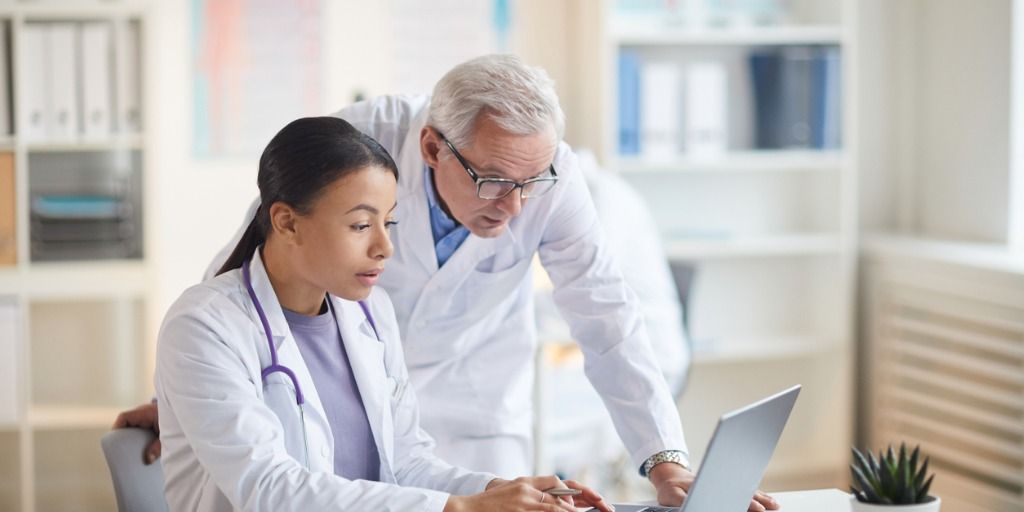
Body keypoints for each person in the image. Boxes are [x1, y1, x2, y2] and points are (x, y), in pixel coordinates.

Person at [120, 55, 778, 511]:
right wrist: (191, 394)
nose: (515, 205)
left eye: (530, 183)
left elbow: (607, 319)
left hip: (468, 405)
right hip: (331, 418)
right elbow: (257, 248)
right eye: (493, 181)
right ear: (432, 147)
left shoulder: (545, 176)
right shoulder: (362, 147)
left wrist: (664, 461)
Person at [154, 116, 611, 511]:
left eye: (388, 222)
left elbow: (406, 461)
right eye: (360, 225)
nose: (384, 246)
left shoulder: (370, 314)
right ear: (286, 221)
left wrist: (499, 491)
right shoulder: (204, 325)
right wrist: (461, 507)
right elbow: (269, 490)